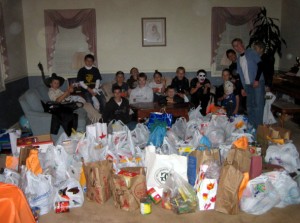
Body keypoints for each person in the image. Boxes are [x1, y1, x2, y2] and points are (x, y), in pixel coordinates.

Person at [232, 38, 265, 128]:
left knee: (258, 106)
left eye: (238, 44)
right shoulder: (239, 60)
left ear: (242, 44)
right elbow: (241, 75)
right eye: (235, 46)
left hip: (257, 83)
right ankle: (251, 126)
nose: (237, 47)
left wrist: (257, 80)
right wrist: (243, 88)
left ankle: (259, 128)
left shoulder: (251, 52)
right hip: (247, 85)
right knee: (249, 106)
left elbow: (260, 65)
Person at [226, 49, 247, 114]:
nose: (231, 57)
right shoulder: (231, 66)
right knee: (239, 104)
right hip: (237, 87)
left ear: (235, 54)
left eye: (232, 55)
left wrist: (243, 88)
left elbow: (244, 76)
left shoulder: (242, 62)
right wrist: (231, 79)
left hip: (244, 86)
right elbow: (232, 78)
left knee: (245, 104)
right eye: (229, 56)